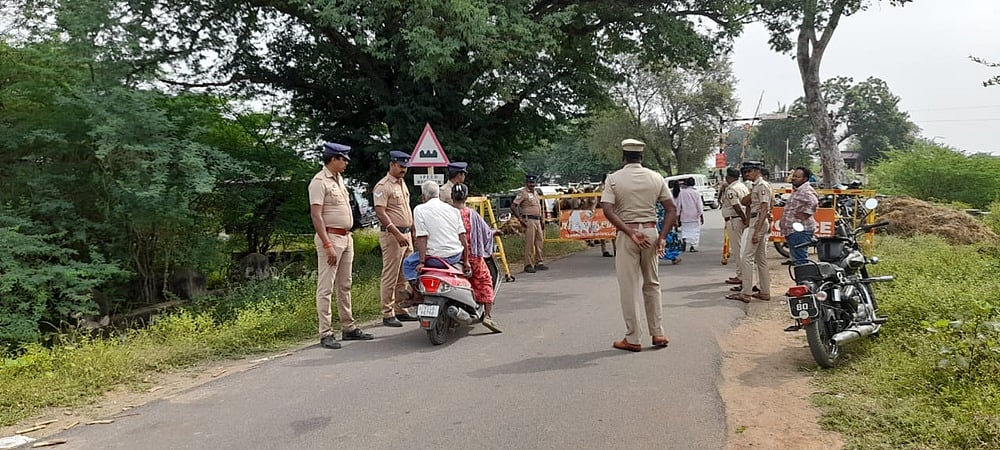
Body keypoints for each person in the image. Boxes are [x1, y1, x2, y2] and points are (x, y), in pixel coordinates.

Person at [601, 138, 677, 352]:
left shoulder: (613, 179)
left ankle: (633, 337)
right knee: (652, 283)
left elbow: (607, 209)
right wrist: (662, 237)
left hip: (628, 234)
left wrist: (630, 232)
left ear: (623, 156)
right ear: (641, 157)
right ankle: (658, 332)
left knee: (629, 286)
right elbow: (671, 209)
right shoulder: (656, 177)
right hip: (652, 232)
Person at [308, 142, 373, 349]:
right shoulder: (319, 182)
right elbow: (316, 215)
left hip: (346, 237)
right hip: (331, 238)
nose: (346, 163)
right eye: (343, 159)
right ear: (333, 159)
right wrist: (327, 243)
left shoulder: (339, 180)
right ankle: (326, 332)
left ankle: (348, 327)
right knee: (326, 286)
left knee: (345, 284)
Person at [372, 150, 419, 328]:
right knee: (390, 274)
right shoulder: (383, 186)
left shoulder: (401, 184)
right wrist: (396, 233)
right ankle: (387, 312)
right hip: (392, 235)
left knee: (405, 273)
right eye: (400, 166)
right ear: (392, 164)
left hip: (406, 233)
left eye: (405, 167)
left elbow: (407, 208)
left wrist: (413, 228)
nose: (403, 170)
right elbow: (380, 212)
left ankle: (400, 309)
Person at [450, 183, 503, 333]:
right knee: (485, 281)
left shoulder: (447, 213)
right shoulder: (472, 214)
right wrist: (495, 232)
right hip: (473, 256)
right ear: (466, 197)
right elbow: (486, 232)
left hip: (451, 257)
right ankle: (487, 315)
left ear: (452, 197)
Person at [401, 181, 470, 284]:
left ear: (423, 197)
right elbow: (462, 238)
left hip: (435, 259)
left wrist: (421, 262)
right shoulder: (453, 210)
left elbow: (422, 238)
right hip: (455, 256)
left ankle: (416, 294)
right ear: (438, 195)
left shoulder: (419, 210)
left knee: (408, 263)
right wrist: (466, 261)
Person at [727, 161, 772, 303]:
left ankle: (746, 292)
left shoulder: (762, 185)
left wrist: (756, 231)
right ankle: (764, 291)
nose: (746, 175)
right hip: (757, 221)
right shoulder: (756, 186)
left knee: (747, 258)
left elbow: (764, 209)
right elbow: (746, 201)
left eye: (748, 172)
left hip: (757, 222)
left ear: (756, 171)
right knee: (761, 259)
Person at [779, 167, 819, 265]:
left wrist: (805, 215)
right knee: (797, 260)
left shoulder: (805, 190)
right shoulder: (798, 190)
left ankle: (805, 279)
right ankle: (802, 278)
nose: (794, 178)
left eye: (797, 177)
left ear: (805, 179)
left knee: (801, 261)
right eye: (794, 176)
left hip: (800, 231)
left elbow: (814, 203)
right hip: (793, 231)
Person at [512, 174, 547, 273]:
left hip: (537, 220)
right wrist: (520, 219)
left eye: (533, 183)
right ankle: (528, 264)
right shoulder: (523, 193)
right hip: (529, 220)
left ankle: (538, 262)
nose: (532, 184)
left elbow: (538, 208)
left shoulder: (535, 193)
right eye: (530, 183)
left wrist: (541, 220)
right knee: (530, 243)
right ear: (526, 183)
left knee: (539, 241)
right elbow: (514, 206)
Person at [722, 167, 750, 286]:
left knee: (737, 249)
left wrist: (744, 219)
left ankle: (741, 275)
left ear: (728, 177)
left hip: (735, 220)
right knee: (742, 248)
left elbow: (736, 206)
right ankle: (743, 274)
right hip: (740, 219)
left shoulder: (731, 189)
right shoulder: (743, 186)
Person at [676, 177, 704, 252]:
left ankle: (684, 241)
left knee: (685, 230)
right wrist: (701, 215)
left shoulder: (682, 193)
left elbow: (678, 205)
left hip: (684, 216)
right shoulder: (696, 193)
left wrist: (677, 216)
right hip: (694, 216)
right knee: (695, 231)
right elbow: (699, 205)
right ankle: (693, 246)